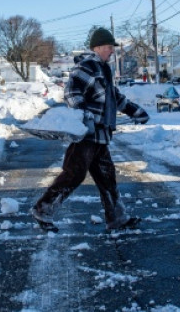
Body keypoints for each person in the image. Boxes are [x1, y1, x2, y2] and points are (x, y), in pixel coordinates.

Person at [30, 28, 149, 232]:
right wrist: (85, 117)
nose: (112, 51)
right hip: (86, 135)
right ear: (98, 47)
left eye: (113, 47)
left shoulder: (104, 69)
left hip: (101, 136)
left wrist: (136, 112)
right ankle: (42, 209)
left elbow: (114, 97)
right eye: (110, 47)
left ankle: (117, 219)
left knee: (107, 178)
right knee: (74, 174)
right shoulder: (86, 67)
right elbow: (71, 93)